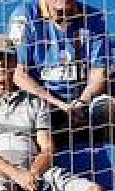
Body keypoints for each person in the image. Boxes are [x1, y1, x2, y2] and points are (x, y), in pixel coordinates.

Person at [0, 34, 104, 191]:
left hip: (36, 175)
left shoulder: (35, 102)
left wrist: (32, 173)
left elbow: (48, 148)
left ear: (15, 61)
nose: (1, 64)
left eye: (6, 57)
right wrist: (16, 174)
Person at [8, 0, 115, 154]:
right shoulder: (25, 16)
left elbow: (100, 72)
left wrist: (82, 102)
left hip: (83, 102)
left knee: (108, 100)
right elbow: (18, 74)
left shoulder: (94, 17)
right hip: (44, 103)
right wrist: (59, 104)